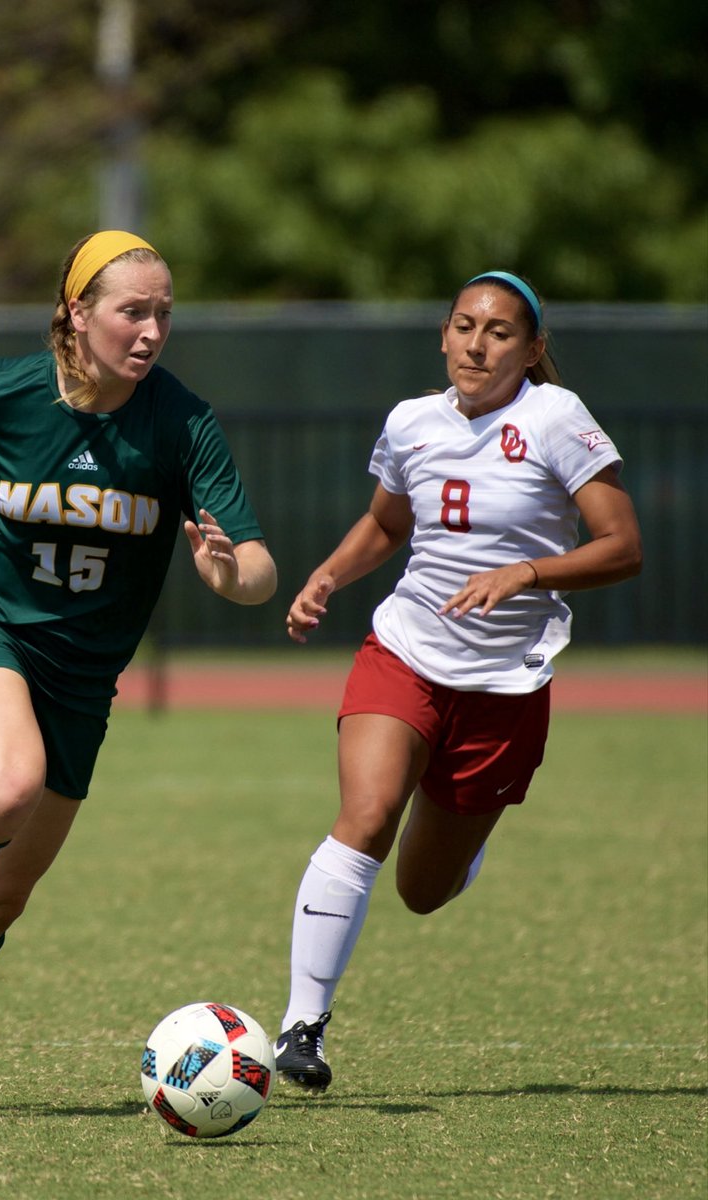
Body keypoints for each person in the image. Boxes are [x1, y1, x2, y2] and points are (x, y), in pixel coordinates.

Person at [0, 230, 277, 1114]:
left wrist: (228, 570)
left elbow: (259, 573)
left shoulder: (181, 423)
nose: (151, 331)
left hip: (82, 678)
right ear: (77, 314)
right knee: (7, 787)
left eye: (164, 313)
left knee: (0, 901)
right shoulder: (7, 388)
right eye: (131, 311)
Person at [273, 270, 643, 1091]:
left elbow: (622, 547)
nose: (479, 344)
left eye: (501, 331)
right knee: (365, 817)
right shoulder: (412, 422)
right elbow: (385, 523)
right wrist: (328, 577)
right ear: (442, 335)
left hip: (506, 687)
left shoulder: (556, 417)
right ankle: (301, 1028)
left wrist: (530, 572)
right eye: (464, 325)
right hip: (405, 651)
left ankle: (459, 850)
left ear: (533, 348)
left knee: (422, 889)